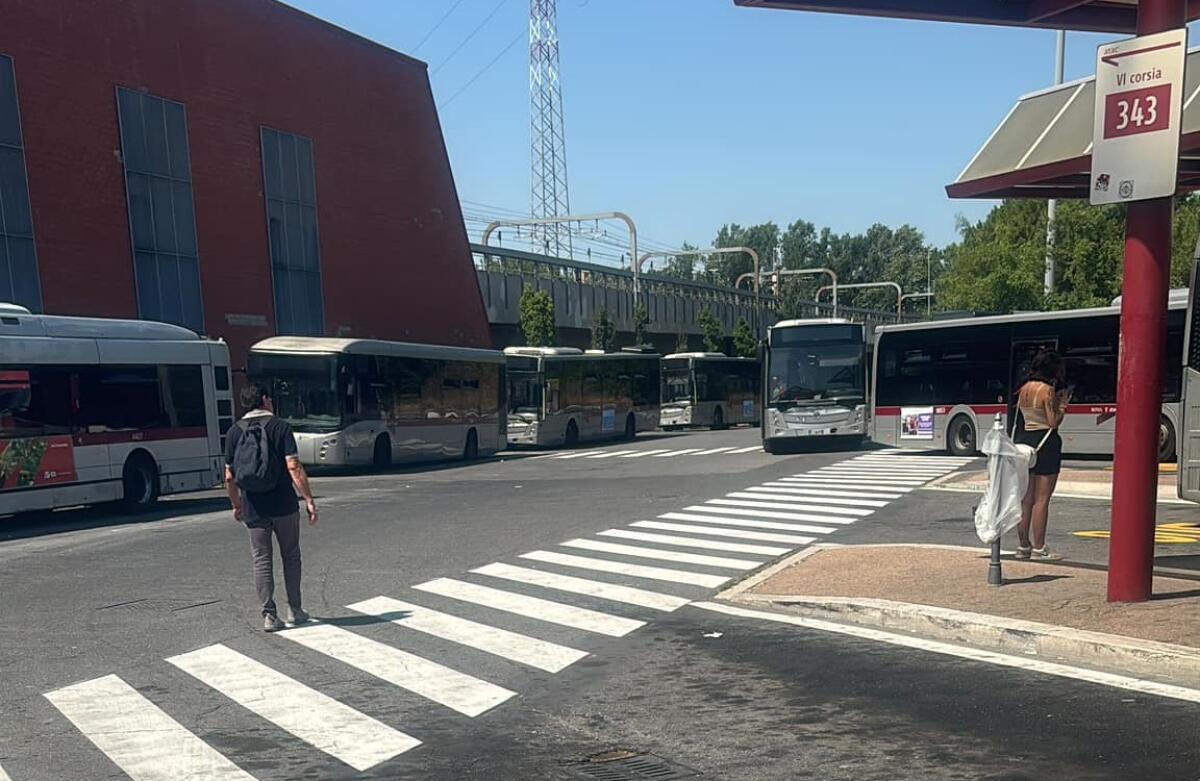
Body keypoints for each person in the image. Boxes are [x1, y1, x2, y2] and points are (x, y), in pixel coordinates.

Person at [224, 382, 318, 631]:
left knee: (261, 560)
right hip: (284, 504)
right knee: (291, 555)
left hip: (253, 506)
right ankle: (295, 610)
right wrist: (308, 499)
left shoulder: (234, 432)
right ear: (265, 399)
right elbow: (293, 467)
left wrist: (236, 504)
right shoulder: (281, 427)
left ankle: (269, 615)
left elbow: (229, 477)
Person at [1014, 350, 1068, 561]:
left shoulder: (1024, 389)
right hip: (1046, 444)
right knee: (1042, 500)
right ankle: (1039, 546)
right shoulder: (1047, 391)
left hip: (1025, 441)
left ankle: (1022, 545)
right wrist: (1062, 406)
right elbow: (1053, 421)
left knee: (1026, 499)